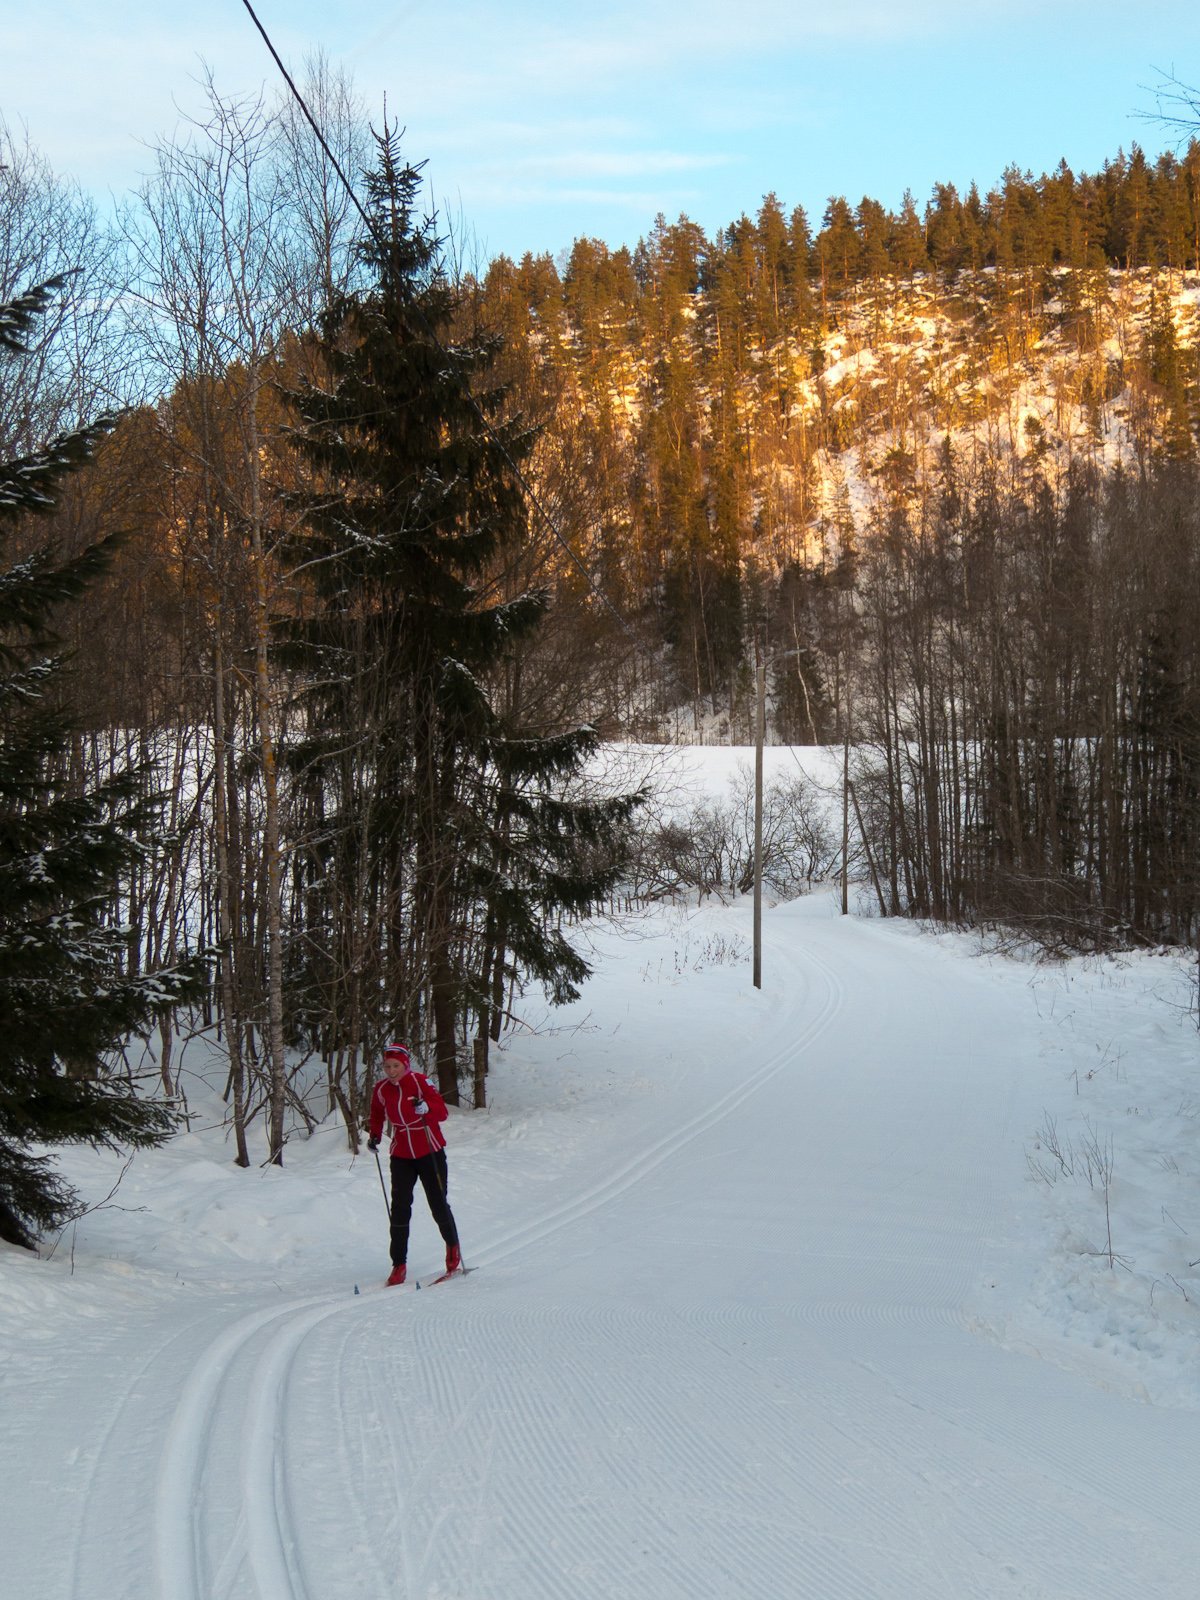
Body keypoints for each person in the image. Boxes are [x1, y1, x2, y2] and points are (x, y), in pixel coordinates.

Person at [367, 1042, 461, 1286]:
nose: (391, 1070)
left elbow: (442, 1112)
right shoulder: (381, 1089)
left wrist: (426, 1107)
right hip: (401, 1154)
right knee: (399, 1208)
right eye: (387, 1066)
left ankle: (452, 1249)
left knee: (438, 1203)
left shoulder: (420, 1082)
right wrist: (375, 1134)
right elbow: (376, 1112)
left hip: (429, 1149)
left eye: (396, 1066)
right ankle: (399, 1264)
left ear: (405, 1065)